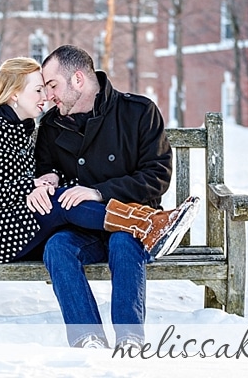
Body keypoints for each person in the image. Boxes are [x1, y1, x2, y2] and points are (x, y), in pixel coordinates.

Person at [0, 57, 197, 269]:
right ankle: (147, 223)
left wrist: (51, 178)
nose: (46, 97)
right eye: (38, 90)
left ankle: (147, 223)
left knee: (65, 199)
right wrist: (28, 187)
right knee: (63, 202)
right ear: (14, 93)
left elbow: (44, 172)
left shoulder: (26, 131)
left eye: (47, 89)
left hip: (16, 222)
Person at [28, 44, 197, 351]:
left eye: (52, 85)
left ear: (78, 80)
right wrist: (46, 177)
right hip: (83, 228)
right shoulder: (52, 125)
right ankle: (87, 338)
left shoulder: (138, 112)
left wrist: (99, 192)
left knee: (123, 242)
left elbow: (157, 176)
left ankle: (130, 339)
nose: (49, 95)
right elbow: (43, 166)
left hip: (131, 223)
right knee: (58, 246)